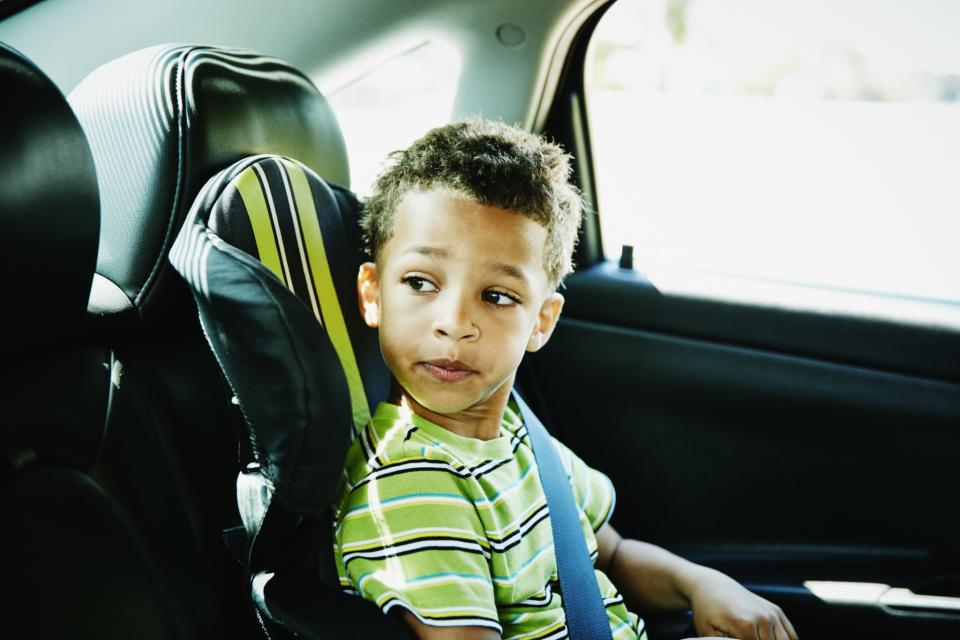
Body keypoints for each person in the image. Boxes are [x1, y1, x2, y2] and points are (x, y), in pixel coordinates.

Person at [332, 118, 798, 640]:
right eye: (420, 282)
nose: (455, 323)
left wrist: (701, 584)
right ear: (373, 294)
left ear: (541, 322)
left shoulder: (518, 435)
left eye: (497, 296)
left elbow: (611, 552)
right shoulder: (413, 490)